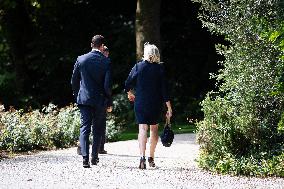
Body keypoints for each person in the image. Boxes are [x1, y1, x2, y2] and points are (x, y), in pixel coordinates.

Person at [124, 43, 172, 169]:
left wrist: (130, 94)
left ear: (146, 54)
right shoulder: (160, 69)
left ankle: (141, 158)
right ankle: (151, 158)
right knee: (154, 129)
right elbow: (164, 90)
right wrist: (169, 107)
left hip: (141, 102)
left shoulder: (138, 66)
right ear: (157, 54)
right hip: (156, 103)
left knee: (142, 129)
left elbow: (127, 83)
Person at [71, 35, 112, 168]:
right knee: (98, 129)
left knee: (84, 128)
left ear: (91, 45)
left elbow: (74, 81)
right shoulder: (106, 61)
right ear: (101, 46)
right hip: (100, 99)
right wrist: (109, 101)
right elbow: (107, 86)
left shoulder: (81, 59)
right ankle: (94, 157)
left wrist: (78, 95)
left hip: (84, 99)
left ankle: (85, 159)